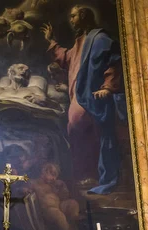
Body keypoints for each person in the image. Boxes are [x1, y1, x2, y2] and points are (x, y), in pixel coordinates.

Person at [41, 5, 127, 194]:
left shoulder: (100, 39)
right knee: (77, 133)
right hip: (79, 96)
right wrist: (52, 42)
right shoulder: (82, 41)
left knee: (85, 132)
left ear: (83, 16)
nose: (71, 20)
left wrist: (107, 87)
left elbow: (114, 62)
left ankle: (93, 175)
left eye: (73, 16)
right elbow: (67, 58)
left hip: (91, 97)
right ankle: (85, 175)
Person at [30, 163, 81, 230]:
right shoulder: (34, 183)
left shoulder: (55, 183)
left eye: (55, 176)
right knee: (57, 214)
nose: (54, 178)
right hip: (46, 211)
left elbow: (65, 197)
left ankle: (74, 228)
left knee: (73, 203)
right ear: (44, 172)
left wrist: (62, 188)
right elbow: (22, 189)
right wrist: (24, 190)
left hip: (59, 206)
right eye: (52, 174)